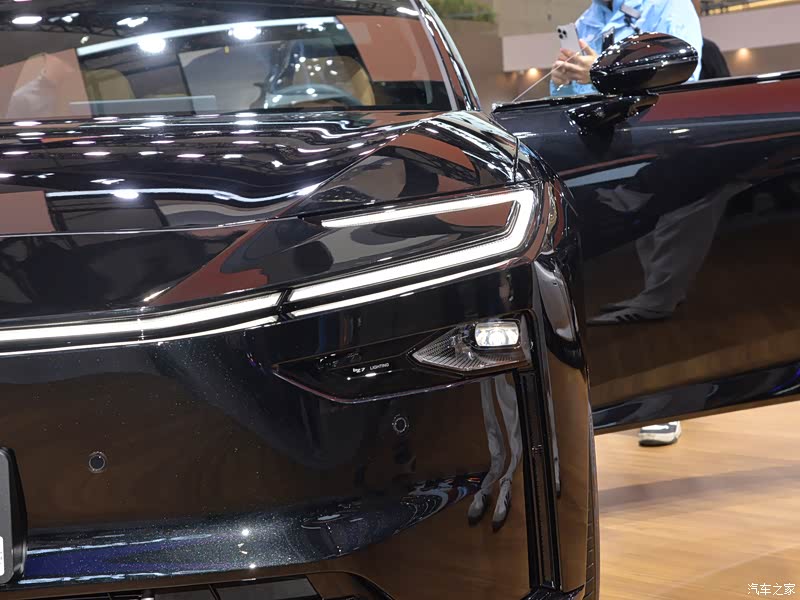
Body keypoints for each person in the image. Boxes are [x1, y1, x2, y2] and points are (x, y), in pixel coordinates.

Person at [552, 0, 703, 447]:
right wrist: (563, 79)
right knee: (608, 284)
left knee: (661, 279)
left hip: (657, 153)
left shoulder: (667, 6)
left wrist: (596, 73)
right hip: (599, 159)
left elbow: (683, 79)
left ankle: (665, 400)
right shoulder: (588, 19)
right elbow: (570, 99)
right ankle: (611, 396)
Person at [551, 0, 703, 98]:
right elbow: (573, 96)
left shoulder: (669, 5)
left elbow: (684, 74)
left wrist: (603, 74)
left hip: (649, 123)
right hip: (595, 128)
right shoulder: (583, 24)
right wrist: (562, 83)